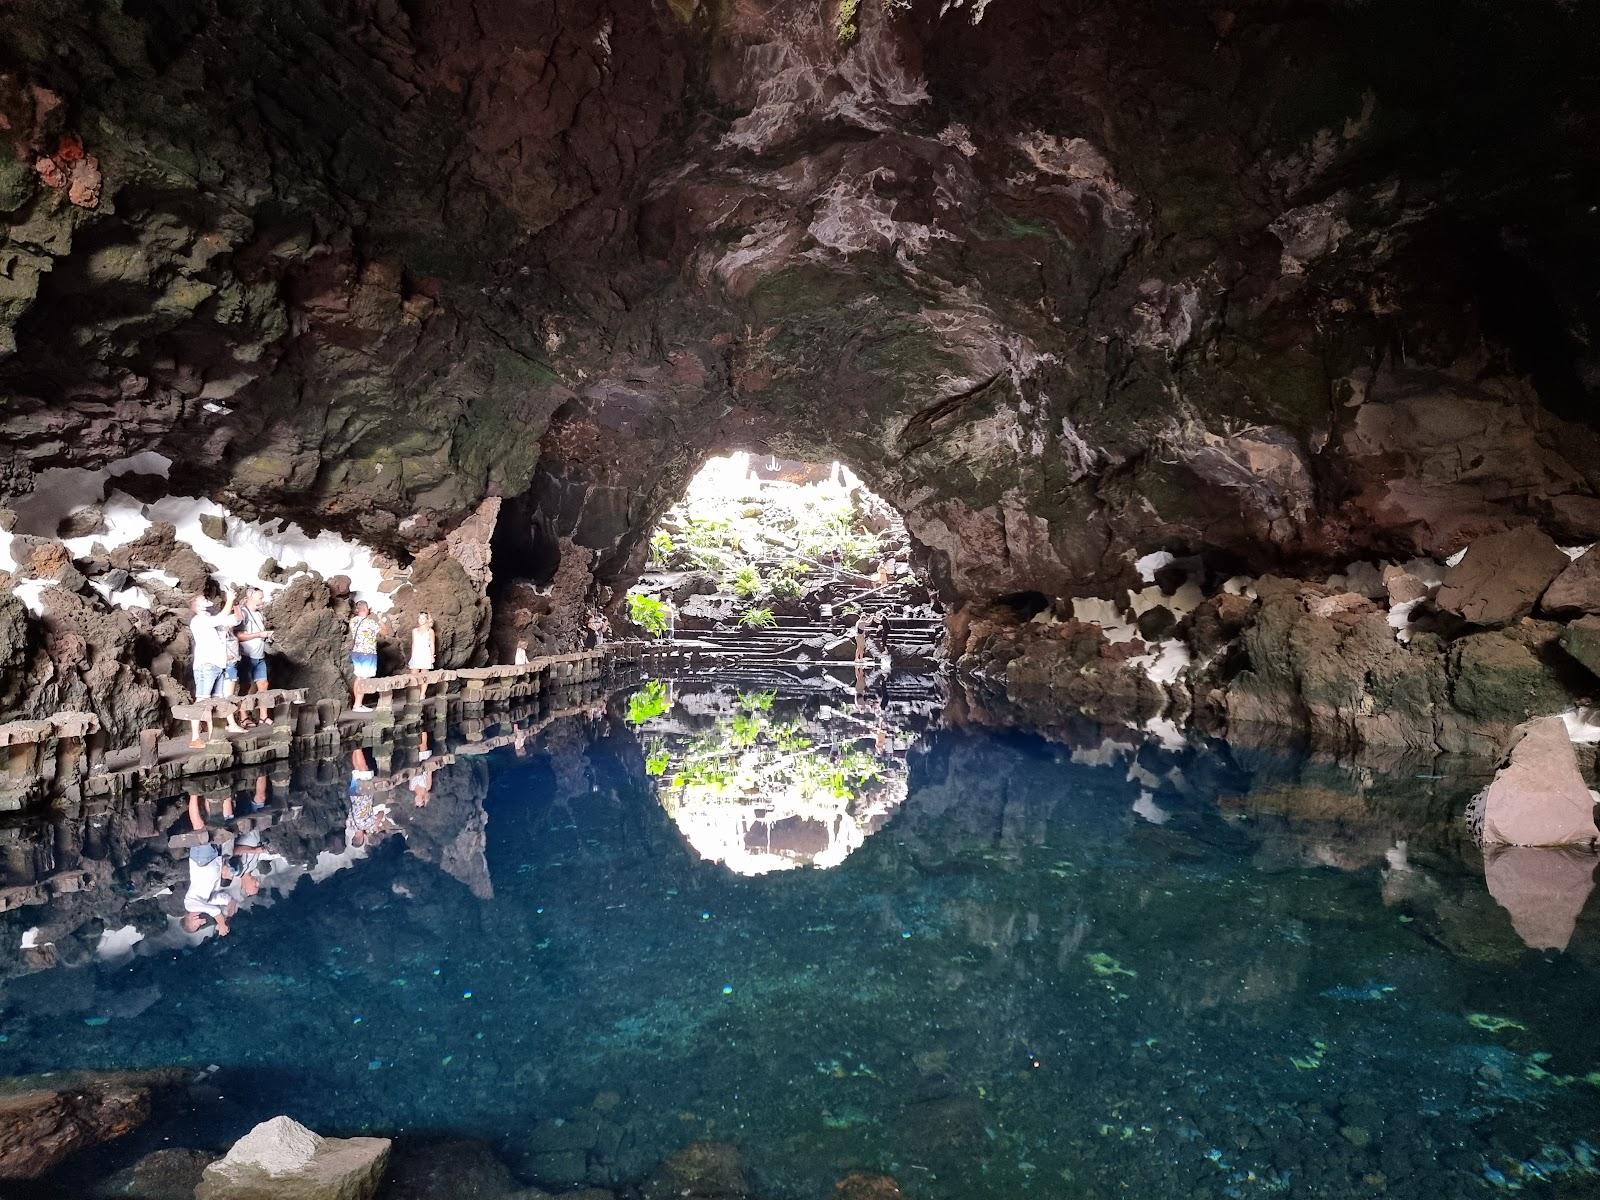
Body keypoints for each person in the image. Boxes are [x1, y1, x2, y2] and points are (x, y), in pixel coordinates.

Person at [187, 590, 240, 748]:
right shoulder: (198, 620)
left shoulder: (211, 620)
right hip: (207, 666)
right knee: (202, 700)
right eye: (203, 599)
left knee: (217, 702)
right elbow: (222, 618)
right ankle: (195, 738)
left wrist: (236, 605)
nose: (206, 599)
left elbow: (235, 620)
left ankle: (213, 737)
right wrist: (229, 599)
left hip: (218, 665)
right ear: (196, 606)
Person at [235, 588, 273, 724]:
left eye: (262, 598)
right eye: (260, 598)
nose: (262, 601)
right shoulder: (242, 613)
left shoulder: (259, 614)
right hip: (246, 656)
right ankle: (244, 717)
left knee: (263, 684)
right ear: (249, 596)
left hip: (259, 655)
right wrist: (259, 635)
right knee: (245, 686)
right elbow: (238, 636)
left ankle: (264, 716)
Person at [349, 600, 387, 712]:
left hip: (356, 652)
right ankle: (357, 705)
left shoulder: (353, 621)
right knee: (364, 679)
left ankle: (357, 704)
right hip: (368, 653)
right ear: (366, 609)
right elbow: (385, 632)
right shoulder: (370, 623)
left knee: (359, 677)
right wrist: (380, 618)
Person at [408, 611, 436, 677]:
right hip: (416, 654)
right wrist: (412, 656)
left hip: (426, 653)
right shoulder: (414, 631)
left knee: (425, 675)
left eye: (423, 618)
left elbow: (432, 644)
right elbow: (413, 644)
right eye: (420, 618)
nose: (421, 620)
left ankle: (423, 688)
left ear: (427, 620)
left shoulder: (430, 631)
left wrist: (432, 656)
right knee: (414, 673)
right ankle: (416, 687)